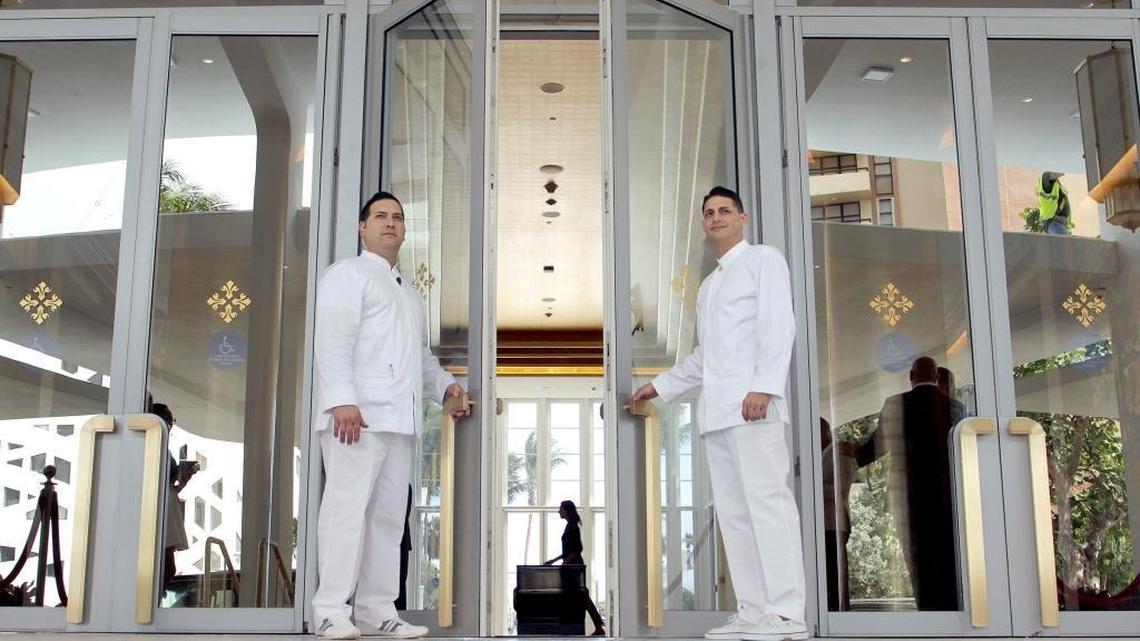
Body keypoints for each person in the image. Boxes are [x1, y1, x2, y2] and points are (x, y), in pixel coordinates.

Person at [633, 186, 807, 641]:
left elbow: (778, 324)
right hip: (717, 416)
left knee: (768, 506)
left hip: (754, 409)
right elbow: (704, 358)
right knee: (734, 514)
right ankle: (753, 612)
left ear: (742, 218)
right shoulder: (709, 286)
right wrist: (658, 387)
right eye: (708, 212)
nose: (715, 218)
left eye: (724, 210)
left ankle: (787, 613)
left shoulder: (763, 260)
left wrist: (765, 388)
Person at [311, 191, 469, 640]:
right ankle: (328, 609)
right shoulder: (348, 275)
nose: (390, 223)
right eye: (380, 216)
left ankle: (377, 610)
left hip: (400, 423)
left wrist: (445, 388)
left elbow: (419, 361)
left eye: (397, 217)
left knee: (386, 519)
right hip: (355, 419)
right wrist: (341, 399)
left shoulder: (411, 295)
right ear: (363, 228)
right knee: (345, 512)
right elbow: (333, 340)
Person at [855, 356, 959, 611]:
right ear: (937, 378)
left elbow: (878, 447)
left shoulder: (896, 404)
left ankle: (928, 611)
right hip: (949, 498)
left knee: (918, 560)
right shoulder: (956, 407)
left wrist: (849, 455)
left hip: (909, 498)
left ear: (911, 377)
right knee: (948, 559)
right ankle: (952, 611)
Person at [151, 402, 197, 595]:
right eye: (168, 420)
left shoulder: (164, 449)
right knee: (164, 564)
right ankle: (155, 597)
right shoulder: (153, 446)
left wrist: (182, 481)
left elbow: (167, 486)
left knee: (166, 564)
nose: (170, 426)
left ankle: (156, 597)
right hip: (161, 507)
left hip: (167, 504)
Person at [543, 500, 606, 636]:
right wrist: (554, 560)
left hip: (574, 567)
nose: (558, 511)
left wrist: (566, 562)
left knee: (581, 595)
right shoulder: (569, 526)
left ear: (566, 510)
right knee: (580, 595)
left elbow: (578, 549)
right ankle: (596, 626)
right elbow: (568, 551)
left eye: (560, 509)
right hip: (572, 565)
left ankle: (595, 626)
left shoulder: (572, 526)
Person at [1036, 171, 1072, 236]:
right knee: (1065, 243)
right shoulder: (1045, 180)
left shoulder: (1056, 184)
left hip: (1060, 223)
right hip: (1053, 222)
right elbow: (1051, 175)